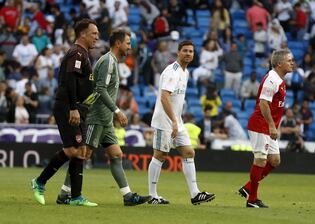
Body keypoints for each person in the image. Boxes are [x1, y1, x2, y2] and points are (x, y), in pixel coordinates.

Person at [58, 29, 151, 206]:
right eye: (128, 43)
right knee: (82, 155)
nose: (130, 46)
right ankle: (64, 193)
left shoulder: (112, 61)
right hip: (96, 117)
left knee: (116, 154)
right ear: (118, 43)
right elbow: (100, 90)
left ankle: (128, 196)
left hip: (105, 120)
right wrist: (117, 111)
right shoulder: (108, 61)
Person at [31, 19, 100, 207]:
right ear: (82, 34)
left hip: (79, 108)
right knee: (72, 150)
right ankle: (40, 181)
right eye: (94, 33)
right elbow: (69, 81)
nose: (97, 37)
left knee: (80, 151)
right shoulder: (76, 53)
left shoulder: (85, 55)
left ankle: (76, 196)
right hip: (68, 106)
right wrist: (73, 107)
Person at [147, 40, 215, 205]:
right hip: (165, 121)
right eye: (185, 51)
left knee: (189, 152)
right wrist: (174, 122)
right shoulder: (172, 71)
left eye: (191, 51)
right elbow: (164, 97)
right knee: (160, 155)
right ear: (178, 52)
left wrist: (177, 122)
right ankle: (152, 195)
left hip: (177, 121)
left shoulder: (186, 72)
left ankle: (195, 194)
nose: (188, 54)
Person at [238, 49, 294, 208]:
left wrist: (275, 126)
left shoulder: (280, 80)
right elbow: (263, 103)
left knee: (274, 161)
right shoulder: (272, 79)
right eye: (289, 60)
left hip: (269, 127)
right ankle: (252, 200)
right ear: (279, 63)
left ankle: (249, 187)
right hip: (260, 125)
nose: (292, 63)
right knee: (261, 160)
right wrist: (271, 125)